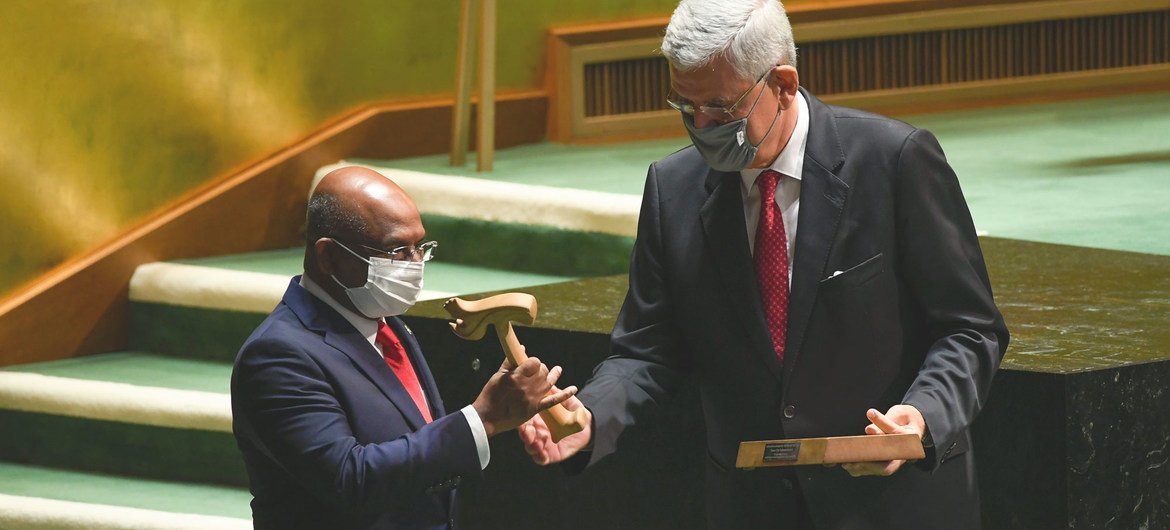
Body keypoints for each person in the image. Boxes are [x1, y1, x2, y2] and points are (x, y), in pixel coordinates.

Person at [519, 0, 1009, 528]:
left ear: (783, 83)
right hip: (753, 507)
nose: (700, 126)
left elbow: (970, 329)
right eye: (686, 107)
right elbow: (646, 350)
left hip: (894, 505)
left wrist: (922, 418)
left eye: (720, 108)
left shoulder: (895, 160)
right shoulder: (673, 188)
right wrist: (590, 416)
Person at [232, 166, 575, 530]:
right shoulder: (276, 356)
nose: (414, 266)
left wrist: (508, 412)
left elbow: (410, 424)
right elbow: (352, 479)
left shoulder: (385, 320)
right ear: (329, 257)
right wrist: (483, 418)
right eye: (397, 250)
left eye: (420, 248)